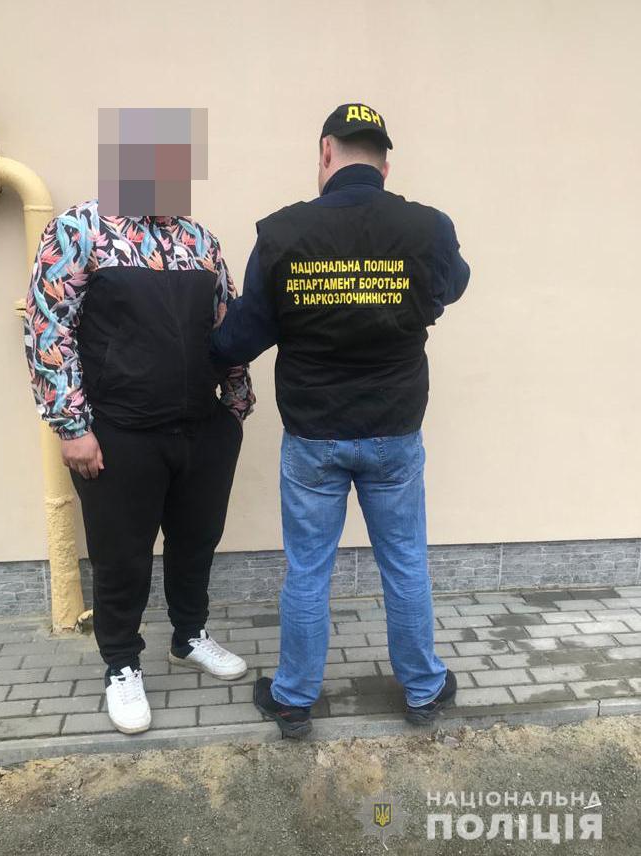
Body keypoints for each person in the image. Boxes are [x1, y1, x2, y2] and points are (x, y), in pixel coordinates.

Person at [212, 103, 470, 738]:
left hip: (314, 437)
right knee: (404, 562)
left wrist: (203, 347)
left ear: (326, 152)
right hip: (394, 433)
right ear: (385, 163)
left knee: (309, 570)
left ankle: (294, 698)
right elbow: (451, 288)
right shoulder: (429, 227)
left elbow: (240, 338)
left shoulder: (283, 232)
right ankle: (423, 688)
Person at [25, 200, 255, 734]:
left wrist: (236, 403)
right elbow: (49, 329)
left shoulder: (201, 242)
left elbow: (226, 324)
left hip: (202, 427)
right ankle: (122, 663)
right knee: (121, 556)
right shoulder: (79, 231)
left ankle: (189, 637)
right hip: (118, 433)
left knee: (197, 540)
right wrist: (71, 427)